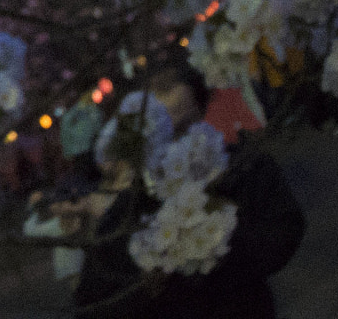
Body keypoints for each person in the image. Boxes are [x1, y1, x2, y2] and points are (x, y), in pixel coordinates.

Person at [72, 58, 304, 318]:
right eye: (159, 132)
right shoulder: (127, 212)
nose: (172, 144)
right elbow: (91, 304)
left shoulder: (240, 166)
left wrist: (222, 236)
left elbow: (285, 229)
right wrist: (145, 288)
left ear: (202, 113)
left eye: (183, 129)